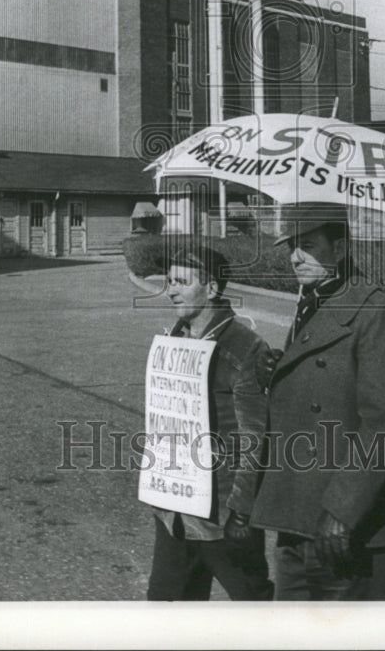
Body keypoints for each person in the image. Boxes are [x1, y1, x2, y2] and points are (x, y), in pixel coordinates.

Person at [250, 202, 385, 601]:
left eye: (307, 245)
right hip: (298, 515)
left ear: (340, 249)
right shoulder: (311, 300)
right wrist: (276, 373)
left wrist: (342, 510)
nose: (294, 256)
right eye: (292, 246)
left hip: (347, 525)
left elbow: (384, 423)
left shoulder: (375, 311)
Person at [144, 245, 274, 601]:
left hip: (222, 519)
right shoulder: (173, 339)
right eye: (169, 280)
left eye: (182, 281)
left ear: (212, 288)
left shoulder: (246, 347)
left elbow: (255, 436)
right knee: (167, 610)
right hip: (174, 515)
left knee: (255, 606)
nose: (170, 289)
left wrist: (243, 511)